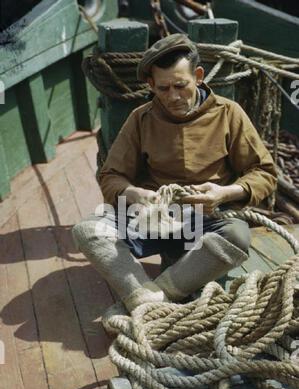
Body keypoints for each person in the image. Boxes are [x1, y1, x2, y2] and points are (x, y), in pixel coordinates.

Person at [72, 34, 277, 325]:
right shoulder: (141, 119)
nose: (173, 96)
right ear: (151, 85)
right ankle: (150, 298)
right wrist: (136, 195)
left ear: (198, 76)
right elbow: (111, 176)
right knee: (88, 230)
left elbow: (264, 173)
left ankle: (154, 294)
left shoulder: (229, 114)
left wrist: (224, 193)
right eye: (163, 88)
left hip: (207, 221)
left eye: (181, 86)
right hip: (154, 219)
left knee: (238, 236)